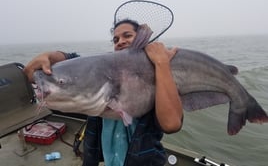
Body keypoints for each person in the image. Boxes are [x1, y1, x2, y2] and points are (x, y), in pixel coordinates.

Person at [24, 19, 184, 166]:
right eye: (116, 39)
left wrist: (162, 63)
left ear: (142, 40)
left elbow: (171, 124)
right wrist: (50, 56)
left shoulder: (158, 71)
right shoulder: (103, 71)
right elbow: (75, 60)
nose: (120, 41)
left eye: (127, 36)